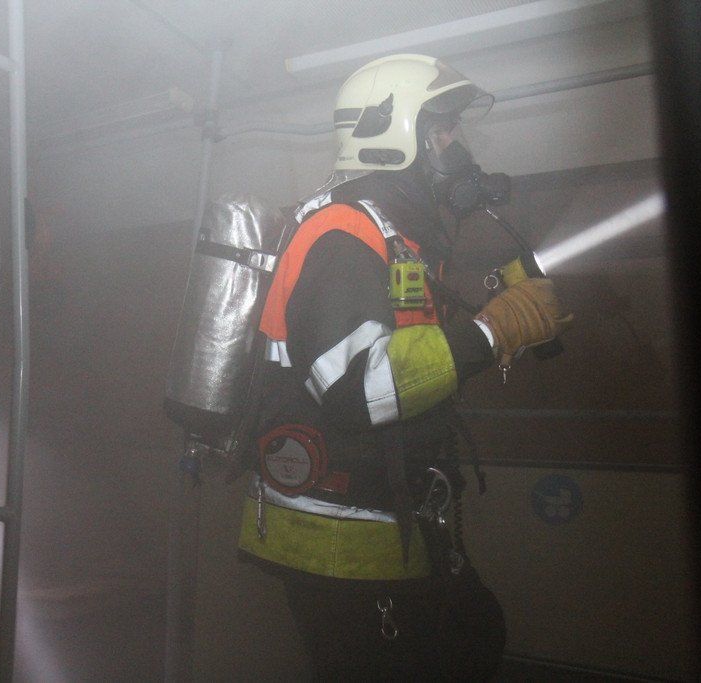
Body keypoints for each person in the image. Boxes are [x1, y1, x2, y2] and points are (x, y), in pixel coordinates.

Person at [237, 54, 572, 680]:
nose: (456, 145)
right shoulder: (341, 234)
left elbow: (413, 355)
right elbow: (358, 388)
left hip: (391, 519)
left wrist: (498, 322)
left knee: (474, 637)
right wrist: (488, 332)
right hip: (339, 539)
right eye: (441, 129)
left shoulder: (396, 240)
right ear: (392, 137)